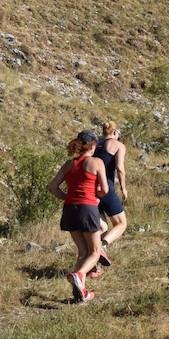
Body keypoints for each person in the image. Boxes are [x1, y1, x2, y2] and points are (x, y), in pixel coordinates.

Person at [49, 130, 109, 304]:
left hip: (70, 209)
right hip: (87, 208)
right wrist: (95, 194)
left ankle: (79, 293)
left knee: (83, 252)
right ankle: (79, 275)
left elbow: (52, 187)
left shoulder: (69, 164)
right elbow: (104, 190)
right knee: (95, 252)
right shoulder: (96, 162)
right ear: (92, 145)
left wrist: (68, 197)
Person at [93, 121, 128, 269]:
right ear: (114, 132)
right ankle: (103, 246)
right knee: (121, 223)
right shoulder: (118, 145)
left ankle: (94, 266)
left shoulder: (95, 145)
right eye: (118, 132)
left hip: (92, 190)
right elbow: (120, 168)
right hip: (106, 188)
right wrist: (123, 188)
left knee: (102, 228)